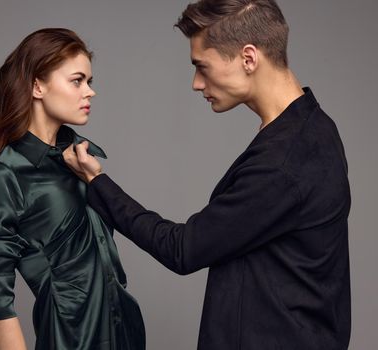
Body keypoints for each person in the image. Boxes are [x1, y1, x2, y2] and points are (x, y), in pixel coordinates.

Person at [64, 1, 351, 349]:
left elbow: (183, 249)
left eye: (202, 66)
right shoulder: (313, 127)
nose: (196, 83)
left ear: (248, 58)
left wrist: (98, 183)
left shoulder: (285, 161)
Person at [0, 28, 145, 350]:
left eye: (90, 82)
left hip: (124, 333)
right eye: (77, 81)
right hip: (70, 340)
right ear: (37, 85)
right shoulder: (5, 173)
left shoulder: (79, 161)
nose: (90, 92)